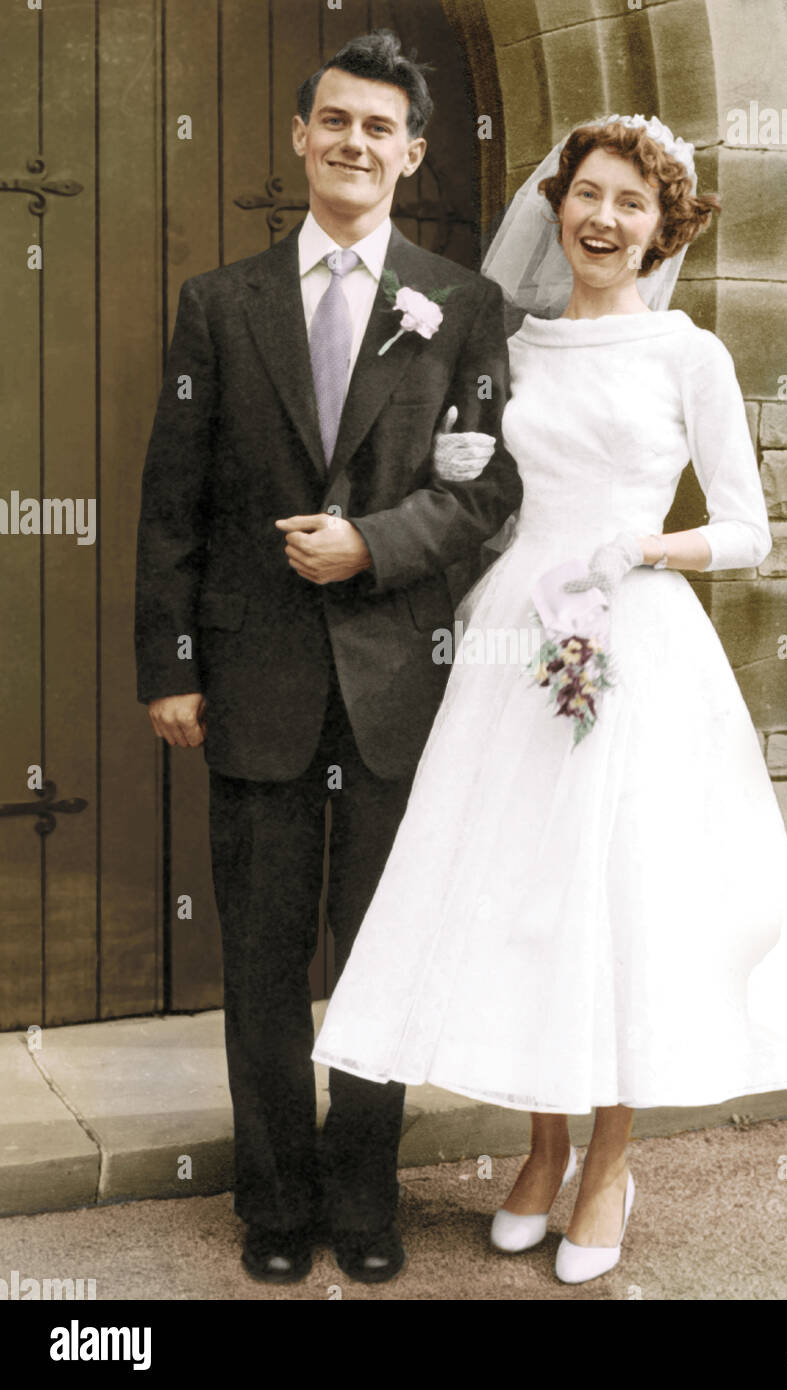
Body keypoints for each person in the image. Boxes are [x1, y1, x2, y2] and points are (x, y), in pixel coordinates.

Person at [312, 114, 787, 1285]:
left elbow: (754, 528)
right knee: (522, 900)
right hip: (517, 640)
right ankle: (540, 1146)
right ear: (558, 204)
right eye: (587, 195)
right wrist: (468, 474)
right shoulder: (513, 341)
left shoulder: (687, 356)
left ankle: (609, 1160)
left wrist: (648, 553)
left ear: (665, 227)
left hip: (635, 640)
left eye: (631, 204)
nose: (602, 220)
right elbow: (493, 493)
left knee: (622, 906)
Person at [134, 30, 522, 1285]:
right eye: (335, 123)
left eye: (380, 129)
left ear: (412, 154)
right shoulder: (219, 303)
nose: (355, 144)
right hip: (250, 688)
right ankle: (273, 1201)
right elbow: (170, 504)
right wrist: (169, 665)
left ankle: (364, 1200)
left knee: (379, 956)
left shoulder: (461, 305)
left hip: (398, 692)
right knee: (258, 957)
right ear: (301, 139)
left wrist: (375, 543)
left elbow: (491, 487)